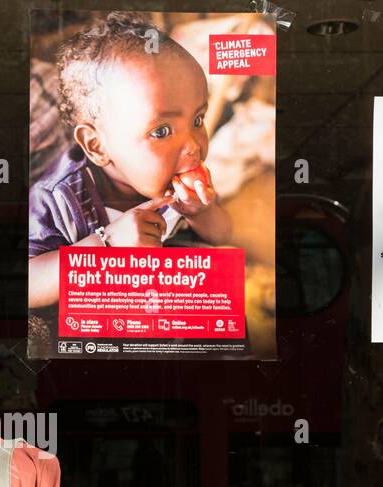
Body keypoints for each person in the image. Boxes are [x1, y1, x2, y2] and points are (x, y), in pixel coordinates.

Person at [27, 13, 233, 308]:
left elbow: (224, 234)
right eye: (162, 131)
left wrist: (201, 213)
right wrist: (107, 243)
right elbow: (29, 285)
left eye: (198, 119)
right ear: (97, 146)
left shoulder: (183, 187)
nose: (193, 145)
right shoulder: (58, 198)